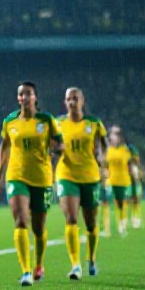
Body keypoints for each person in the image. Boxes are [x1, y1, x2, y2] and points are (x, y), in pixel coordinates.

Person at [0, 82, 62, 286]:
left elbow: (61, 144)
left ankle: (39, 264)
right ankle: (26, 271)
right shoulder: (10, 121)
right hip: (16, 176)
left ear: (35, 97)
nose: (24, 97)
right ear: (18, 98)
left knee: (39, 227)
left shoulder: (47, 120)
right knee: (21, 220)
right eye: (21, 94)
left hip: (42, 177)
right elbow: (4, 147)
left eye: (28, 93)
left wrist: (55, 152)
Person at [55, 88, 108, 280]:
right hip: (66, 174)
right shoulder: (58, 123)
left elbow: (103, 144)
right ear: (65, 102)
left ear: (82, 101)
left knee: (91, 222)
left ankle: (91, 259)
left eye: (75, 98)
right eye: (68, 99)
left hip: (90, 176)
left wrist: (103, 160)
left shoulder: (93, 123)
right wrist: (55, 149)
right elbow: (50, 144)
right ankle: (75, 265)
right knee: (70, 218)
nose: (71, 102)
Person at [105, 126, 141, 236]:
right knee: (115, 202)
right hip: (111, 180)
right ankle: (116, 223)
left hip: (126, 179)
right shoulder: (107, 150)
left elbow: (134, 163)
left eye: (117, 134)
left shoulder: (128, 149)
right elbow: (104, 164)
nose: (114, 136)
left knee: (131, 199)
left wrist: (135, 171)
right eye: (112, 134)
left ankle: (133, 217)